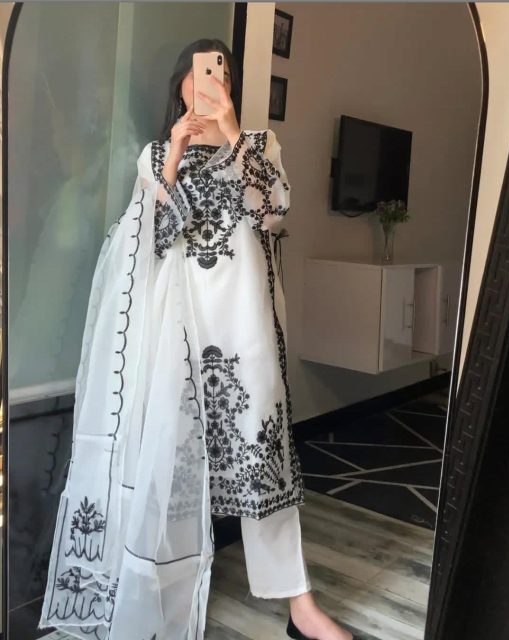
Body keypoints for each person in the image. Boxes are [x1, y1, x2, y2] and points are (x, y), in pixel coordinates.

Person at [37, 39, 360, 640]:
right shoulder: (157, 154)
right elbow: (154, 240)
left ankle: (301, 607)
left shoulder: (258, 144)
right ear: (180, 84)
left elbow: (274, 209)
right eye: (201, 71)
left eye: (223, 72)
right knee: (169, 468)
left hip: (244, 326)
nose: (213, 80)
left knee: (265, 461)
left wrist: (233, 134)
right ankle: (156, 605)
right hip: (178, 335)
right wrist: (177, 154)